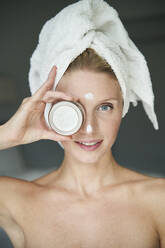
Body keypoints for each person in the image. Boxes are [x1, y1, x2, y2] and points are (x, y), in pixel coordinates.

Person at [0, 47, 165, 248]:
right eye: (74, 108)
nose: (89, 128)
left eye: (105, 107)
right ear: (52, 111)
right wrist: (9, 135)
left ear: (123, 108)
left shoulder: (159, 199)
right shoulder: (17, 200)